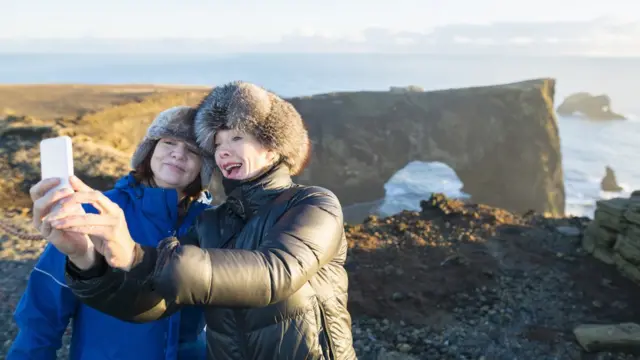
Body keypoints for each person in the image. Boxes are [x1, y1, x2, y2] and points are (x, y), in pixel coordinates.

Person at [39, 81, 357, 360]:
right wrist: (86, 261)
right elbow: (150, 300)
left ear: (272, 149)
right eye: (217, 144)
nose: (223, 151)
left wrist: (135, 254)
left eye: (236, 138)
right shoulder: (211, 223)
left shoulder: (314, 204)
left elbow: (273, 274)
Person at [9, 106, 215, 360]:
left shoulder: (214, 221)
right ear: (149, 150)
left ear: (205, 165)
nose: (177, 154)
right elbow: (43, 310)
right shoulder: (96, 209)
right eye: (168, 142)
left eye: (192, 150)